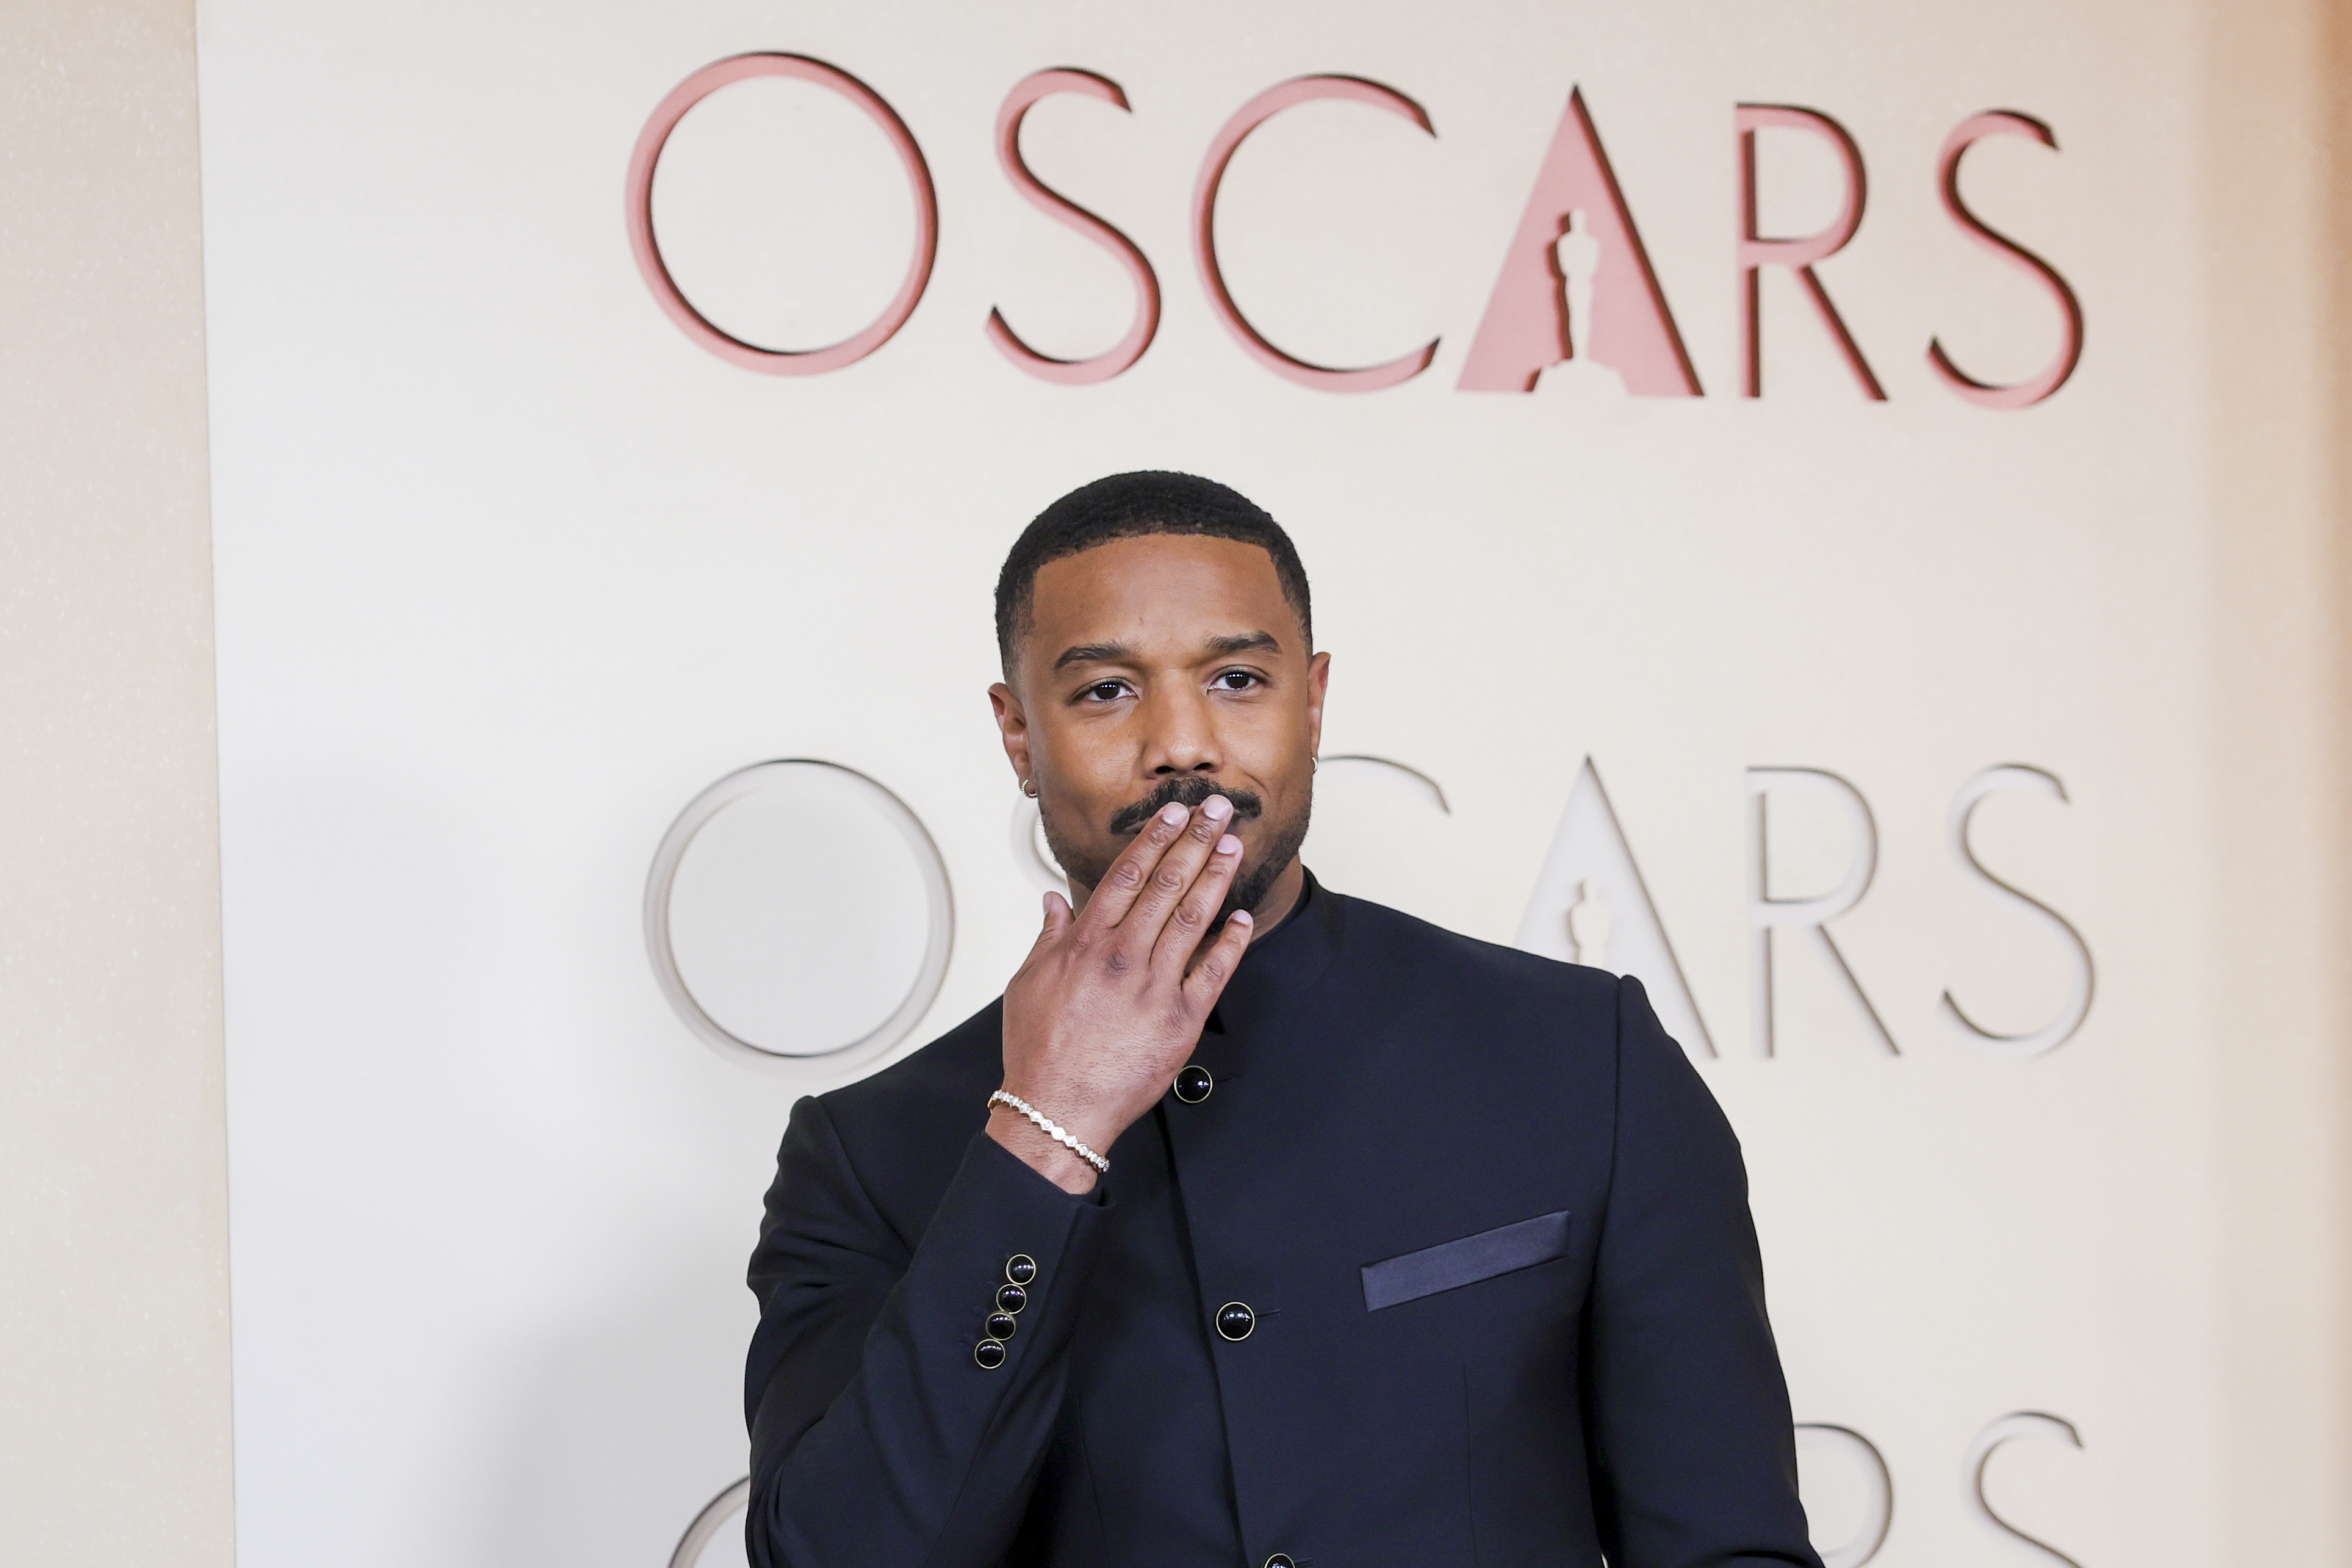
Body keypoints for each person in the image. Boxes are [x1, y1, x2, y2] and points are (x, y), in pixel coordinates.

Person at [743, 471, 1821, 1568]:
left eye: (1238, 679)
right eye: (1106, 690)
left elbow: (1730, 1548)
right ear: (1020, 736)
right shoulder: (864, 1155)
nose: (1182, 744)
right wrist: (1046, 1132)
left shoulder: (1585, 1059)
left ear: (1312, 702)